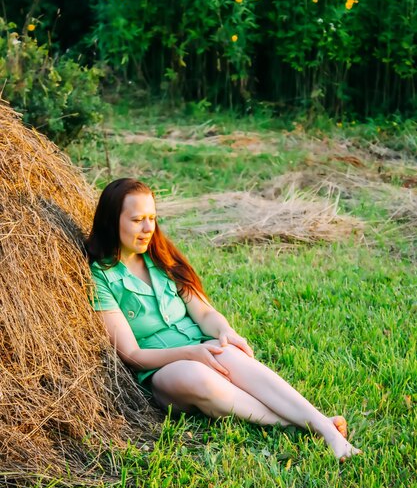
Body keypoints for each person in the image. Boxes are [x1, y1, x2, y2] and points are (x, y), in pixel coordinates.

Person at [86, 178, 361, 462]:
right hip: (162, 372)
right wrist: (193, 353)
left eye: (152, 218)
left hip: (201, 346)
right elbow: (132, 355)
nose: (148, 229)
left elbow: (204, 313)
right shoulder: (101, 277)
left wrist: (226, 332)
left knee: (230, 353)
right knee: (197, 375)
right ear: (111, 221)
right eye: (137, 220)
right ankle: (301, 425)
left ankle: (322, 426)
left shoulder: (162, 259)